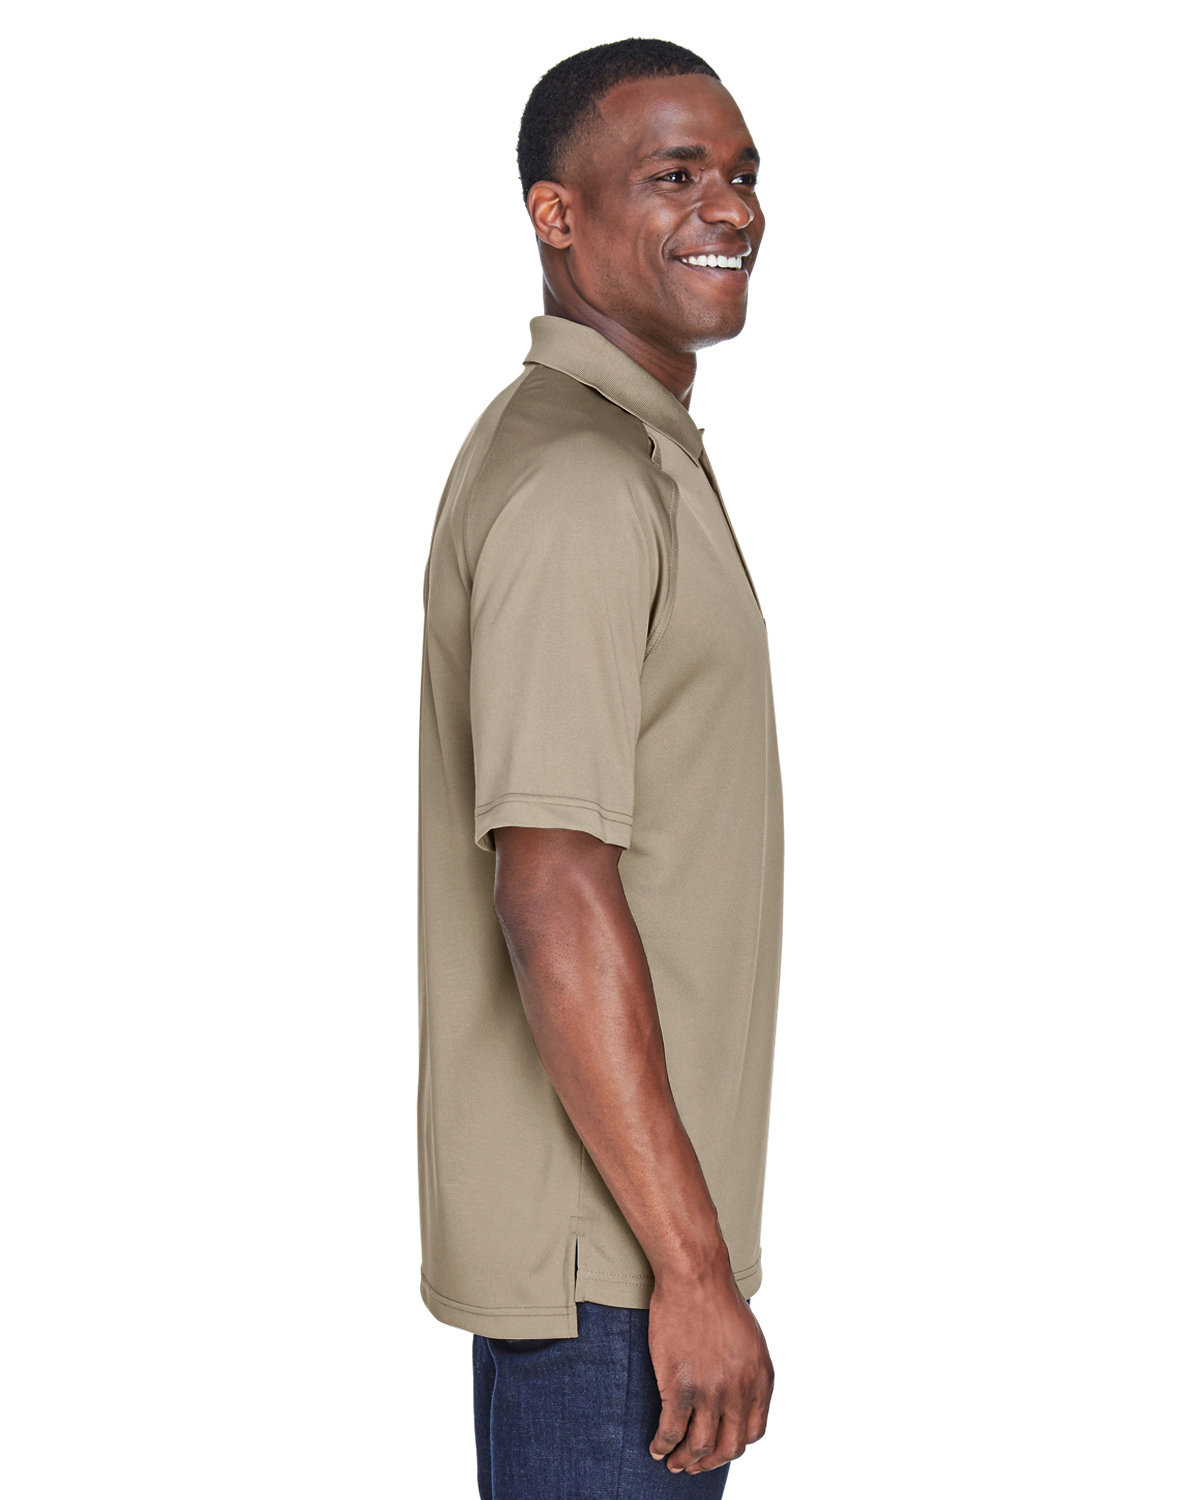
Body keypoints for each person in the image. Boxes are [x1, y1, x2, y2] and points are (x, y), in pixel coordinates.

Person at [417, 38, 785, 1497]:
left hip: (621, 1258)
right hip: (612, 1278)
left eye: (742, 174)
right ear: (555, 215)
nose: (731, 208)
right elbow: (553, 890)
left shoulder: (629, 453)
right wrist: (688, 1271)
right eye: (676, 175)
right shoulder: (578, 483)